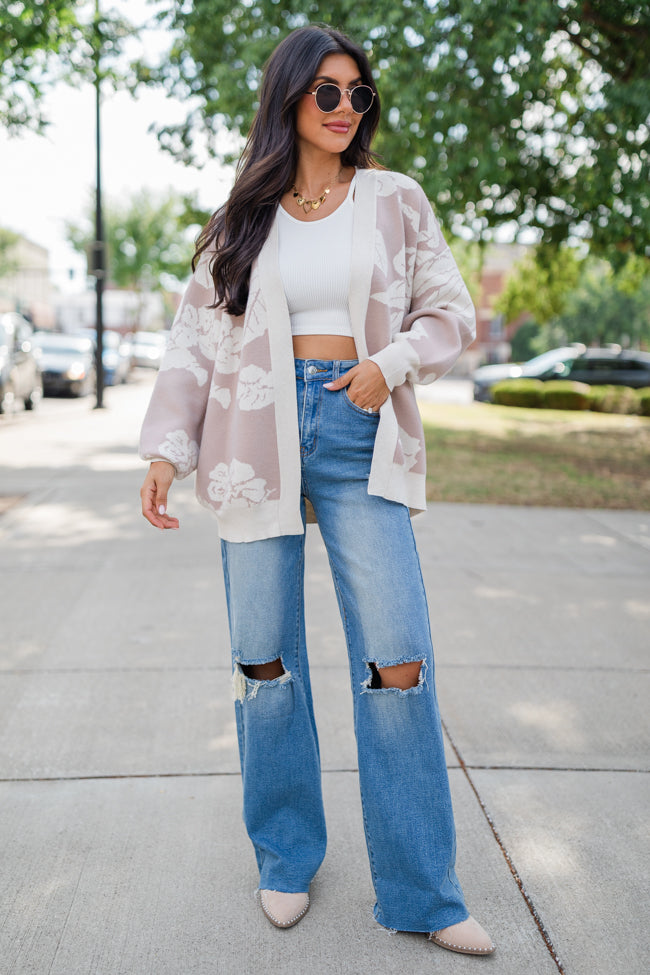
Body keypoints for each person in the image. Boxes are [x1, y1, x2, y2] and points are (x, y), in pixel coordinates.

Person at [139, 24, 495, 957]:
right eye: (326, 93)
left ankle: (422, 888)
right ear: (288, 98)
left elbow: (452, 310)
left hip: (358, 427)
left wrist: (388, 363)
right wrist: (164, 452)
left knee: (398, 659)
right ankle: (286, 855)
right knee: (264, 661)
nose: (345, 109)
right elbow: (191, 345)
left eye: (358, 95)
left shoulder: (394, 200)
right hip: (255, 434)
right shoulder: (239, 220)